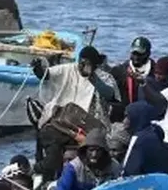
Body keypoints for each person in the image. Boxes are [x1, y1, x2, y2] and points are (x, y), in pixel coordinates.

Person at [31, 45, 119, 182]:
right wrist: (38, 69)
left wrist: (92, 77)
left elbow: (110, 95)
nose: (82, 66)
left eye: (87, 63)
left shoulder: (105, 77)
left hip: (91, 126)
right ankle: (44, 173)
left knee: (96, 148)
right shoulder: (68, 69)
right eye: (81, 62)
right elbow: (46, 75)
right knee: (45, 135)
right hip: (63, 121)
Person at [54, 128, 122, 190]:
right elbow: (62, 188)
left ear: (104, 152)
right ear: (85, 150)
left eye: (98, 151)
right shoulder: (74, 167)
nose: (94, 154)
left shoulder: (114, 167)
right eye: (91, 150)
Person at [121, 102, 168, 177]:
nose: (124, 121)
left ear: (136, 117)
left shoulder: (139, 138)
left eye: (127, 117)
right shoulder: (154, 132)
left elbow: (127, 172)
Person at [110, 36, 156, 105]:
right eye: (134, 53)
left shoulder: (156, 71)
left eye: (140, 54)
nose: (136, 57)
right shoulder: (120, 71)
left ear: (148, 53)